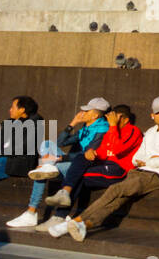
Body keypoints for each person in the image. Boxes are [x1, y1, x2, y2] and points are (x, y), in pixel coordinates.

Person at [65, 96, 159, 243]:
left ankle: (78, 219)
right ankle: (86, 225)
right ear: (152, 115)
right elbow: (136, 158)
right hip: (139, 172)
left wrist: (147, 161)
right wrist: (152, 159)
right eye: (158, 113)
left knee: (115, 190)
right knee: (118, 200)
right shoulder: (150, 132)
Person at [7, 96, 110, 229]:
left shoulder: (103, 130)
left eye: (87, 111)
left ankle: (31, 212)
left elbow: (87, 156)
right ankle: (47, 167)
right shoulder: (85, 128)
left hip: (84, 166)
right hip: (71, 162)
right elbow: (60, 143)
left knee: (42, 171)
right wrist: (72, 124)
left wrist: (60, 159)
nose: (82, 113)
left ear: (95, 115)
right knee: (47, 144)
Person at [43, 105, 143, 234]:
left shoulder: (132, 131)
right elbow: (102, 152)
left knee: (80, 175)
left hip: (119, 170)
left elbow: (118, 150)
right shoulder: (111, 131)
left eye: (114, 117)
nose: (110, 120)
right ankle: (64, 194)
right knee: (81, 157)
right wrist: (91, 152)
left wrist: (112, 127)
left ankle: (60, 216)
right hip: (103, 165)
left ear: (124, 119)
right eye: (109, 117)